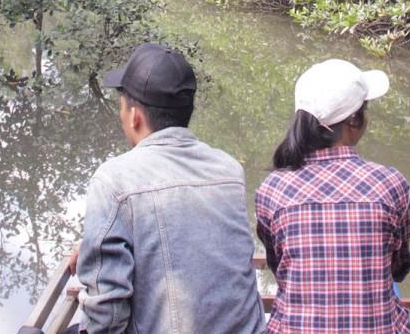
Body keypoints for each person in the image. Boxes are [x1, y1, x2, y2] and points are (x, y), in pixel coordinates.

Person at [65, 42, 265, 334]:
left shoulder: (113, 180)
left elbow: (106, 318)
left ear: (134, 116)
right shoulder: (228, 169)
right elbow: (187, 238)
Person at [256, 59, 410, 334]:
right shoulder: (390, 183)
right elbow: (398, 269)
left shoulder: (273, 189)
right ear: (354, 119)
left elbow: (278, 267)